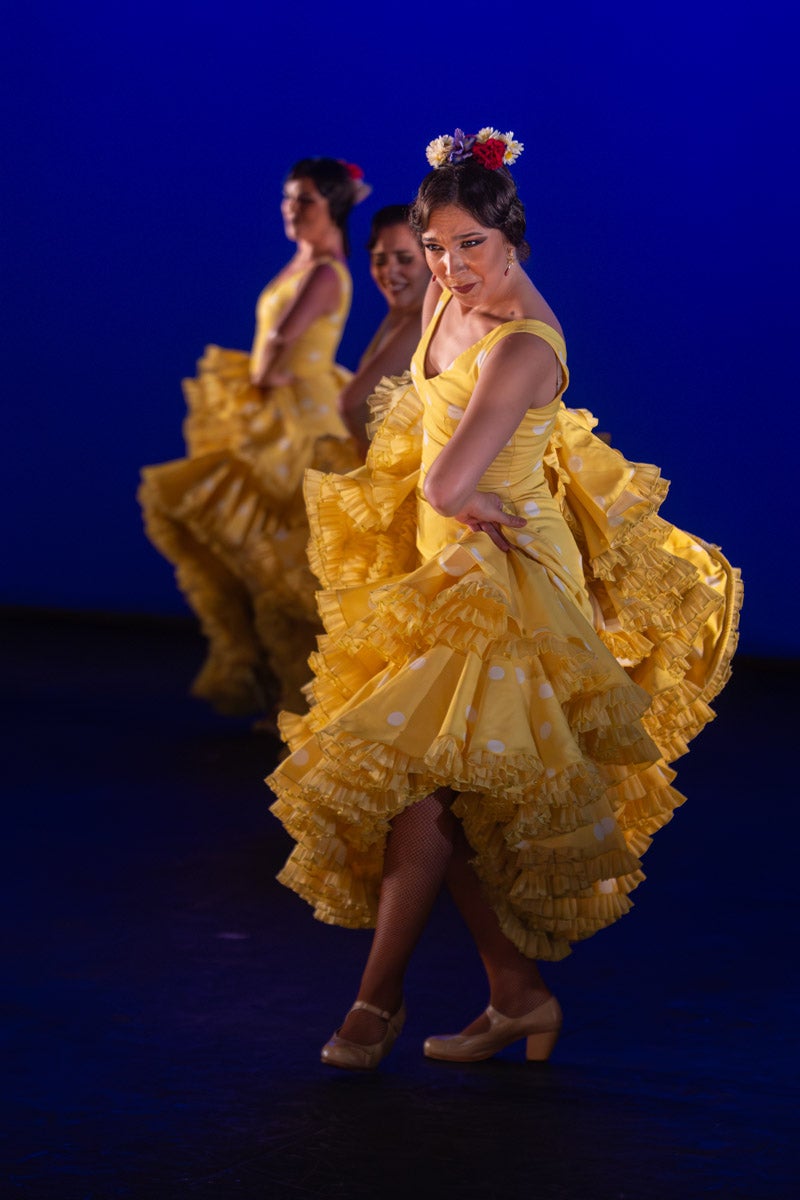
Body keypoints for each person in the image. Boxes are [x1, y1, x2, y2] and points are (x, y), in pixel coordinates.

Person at [266, 127, 742, 1070]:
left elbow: (448, 481)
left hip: (510, 585)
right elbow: (432, 452)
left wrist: (469, 497)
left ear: (512, 241)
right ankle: (518, 998)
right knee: (465, 803)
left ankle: (376, 1003)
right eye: (435, 248)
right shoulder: (452, 305)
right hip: (449, 572)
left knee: (424, 793)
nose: (449, 267)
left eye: (469, 246)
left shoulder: (524, 343)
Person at [138, 157, 368, 718]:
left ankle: (317, 700)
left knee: (288, 553)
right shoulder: (306, 261)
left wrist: (265, 371)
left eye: (305, 200)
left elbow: (279, 344)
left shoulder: (325, 271)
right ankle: (277, 686)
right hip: (282, 410)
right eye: (289, 198)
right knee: (257, 547)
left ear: (331, 206)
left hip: (302, 416)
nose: (291, 209)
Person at [338, 205, 429, 456]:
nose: (389, 271)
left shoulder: (423, 320)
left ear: (431, 258)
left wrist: (376, 471)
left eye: (405, 259)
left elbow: (352, 403)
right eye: (379, 260)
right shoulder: (401, 313)